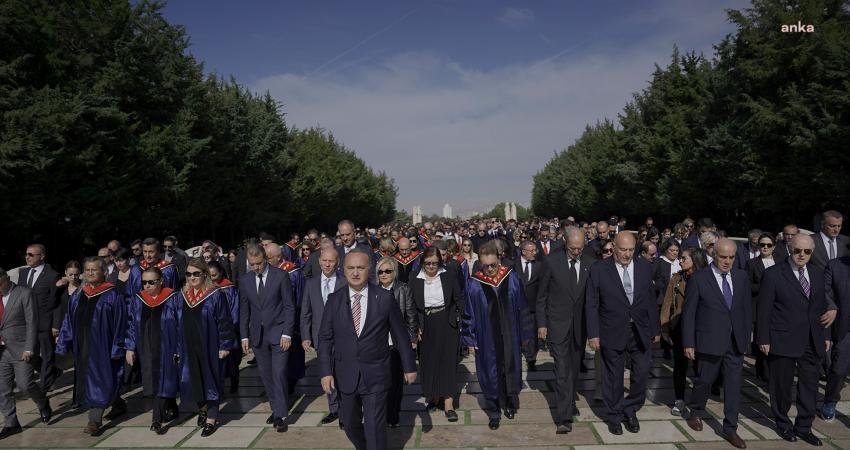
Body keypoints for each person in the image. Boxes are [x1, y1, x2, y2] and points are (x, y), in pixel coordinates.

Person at [318, 251, 417, 450]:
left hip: (376, 374)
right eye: (351, 268)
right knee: (351, 424)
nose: (355, 273)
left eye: (360, 268)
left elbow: (400, 334)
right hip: (345, 374)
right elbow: (325, 338)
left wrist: (409, 366)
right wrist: (326, 372)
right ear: (343, 270)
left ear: (369, 270)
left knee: (374, 427)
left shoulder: (384, 298)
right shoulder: (334, 300)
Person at [585, 231, 660, 436]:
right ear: (614, 248)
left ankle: (631, 407)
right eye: (622, 250)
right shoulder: (599, 269)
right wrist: (593, 334)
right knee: (613, 377)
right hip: (611, 330)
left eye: (630, 250)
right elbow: (592, 304)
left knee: (642, 372)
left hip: (640, 330)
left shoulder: (644, 267)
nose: (627, 254)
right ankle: (615, 415)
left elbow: (649, 300)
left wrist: (655, 328)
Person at [757, 234, 829, 446]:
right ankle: (783, 423)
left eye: (807, 251)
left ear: (812, 252)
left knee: (810, 386)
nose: (802, 255)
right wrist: (763, 338)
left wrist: (825, 335)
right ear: (789, 248)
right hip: (782, 338)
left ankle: (804, 426)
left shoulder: (817, 273)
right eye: (797, 250)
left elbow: (821, 308)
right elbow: (764, 310)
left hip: (812, 339)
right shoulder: (773, 274)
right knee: (781, 386)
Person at [680, 239, 752, 449]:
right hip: (709, 340)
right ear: (714, 255)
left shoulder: (741, 277)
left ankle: (730, 428)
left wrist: (746, 336)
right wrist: (689, 342)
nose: (727, 261)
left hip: (735, 342)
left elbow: (746, 309)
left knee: (733, 387)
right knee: (704, 380)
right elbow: (689, 314)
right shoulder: (700, 279)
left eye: (731, 257)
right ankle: (696, 411)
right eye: (723, 257)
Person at [463, 241, 533, 430]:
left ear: (499, 259)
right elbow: (468, 314)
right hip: (487, 338)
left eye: (493, 264)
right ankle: (493, 411)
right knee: (490, 373)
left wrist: (526, 334)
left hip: (510, 335)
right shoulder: (474, 284)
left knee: (509, 369)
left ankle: (510, 402)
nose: (490, 269)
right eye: (486, 266)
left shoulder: (512, 278)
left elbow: (523, 307)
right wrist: (471, 339)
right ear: (480, 263)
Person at [56, 257, 127, 436]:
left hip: (103, 346)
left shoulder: (113, 294)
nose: (90, 273)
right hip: (82, 345)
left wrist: (118, 347)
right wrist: (64, 342)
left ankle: (94, 421)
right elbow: (69, 321)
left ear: (104, 272)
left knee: (100, 380)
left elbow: (121, 323)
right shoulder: (79, 294)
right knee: (93, 379)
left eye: (94, 270)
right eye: (87, 270)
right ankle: (118, 403)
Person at [537, 228, 592, 434]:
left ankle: (569, 401)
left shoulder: (590, 263)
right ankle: (563, 418)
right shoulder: (551, 262)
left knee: (574, 370)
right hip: (557, 325)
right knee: (561, 372)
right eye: (572, 248)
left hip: (580, 327)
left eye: (580, 248)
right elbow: (541, 296)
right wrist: (542, 324)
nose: (576, 252)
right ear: (565, 243)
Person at [239, 244, 296, 433]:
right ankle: (276, 409)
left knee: (278, 373)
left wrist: (287, 332)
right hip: (258, 336)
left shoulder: (280, 276)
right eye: (252, 264)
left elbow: (289, 306)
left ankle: (281, 415)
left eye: (259, 263)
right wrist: (244, 336)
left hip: (279, 334)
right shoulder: (246, 280)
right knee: (266, 375)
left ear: (266, 258)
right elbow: (244, 310)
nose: (256, 267)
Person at [177, 258, 235, 437]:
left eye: (196, 274)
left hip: (209, 345)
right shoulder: (183, 295)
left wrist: (225, 345)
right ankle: (202, 408)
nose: (192, 278)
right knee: (194, 379)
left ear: (204, 274)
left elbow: (225, 321)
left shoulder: (215, 294)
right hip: (189, 346)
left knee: (211, 380)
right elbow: (178, 324)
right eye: (188, 274)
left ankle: (211, 417)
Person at [410, 247, 463, 420]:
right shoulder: (414, 278)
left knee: (447, 362)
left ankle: (448, 404)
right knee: (429, 362)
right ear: (422, 262)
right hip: (426, 323)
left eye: (434, 262)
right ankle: (432, 398)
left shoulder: (448, 274)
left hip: (447, 322)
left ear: (440, 261)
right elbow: (410, 306)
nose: (431, 266)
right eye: (427, 263)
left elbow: (459, 298)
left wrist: (460, 319)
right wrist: (414, 326)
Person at [125, 267, 180, 434]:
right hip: (147, 348)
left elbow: (180, 325)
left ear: (161, 280)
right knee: (154, 382)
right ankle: (163, 413)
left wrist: (179, 348)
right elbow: (131, 324)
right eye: (144, 282)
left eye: (151, 282)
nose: (147, 286)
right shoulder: (138, 299)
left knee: (165, 380)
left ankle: (160, 415)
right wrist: (130, 347)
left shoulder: (173, 297)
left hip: (168, 347)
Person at [0, 268, 52, 439]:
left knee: (25, 384)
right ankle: (11, 423)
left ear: (6, 278)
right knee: (3, 389)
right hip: (1, 351)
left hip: (21, 348)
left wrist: (29, 348)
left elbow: (32, 322)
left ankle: (43, 402)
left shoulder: (23, 293)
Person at [301, 247, 346, 425]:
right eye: (325, 261)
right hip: (321, 339)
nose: (328, 264)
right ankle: (334, 409)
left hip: (343, 338)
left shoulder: (344, 282)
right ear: (319, 262)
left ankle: (345, 412)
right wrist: (305, 335)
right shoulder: (311, 284)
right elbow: (306, 312)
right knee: (327, 374)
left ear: (338, 263)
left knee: (342, 375)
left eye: (331, 261)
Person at [659, 248, 706, 416]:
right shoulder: (677, 279)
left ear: (695, 259)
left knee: (701, 368)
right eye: (679, 258)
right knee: (679, 366)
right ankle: (679, 399)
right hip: (679, 327)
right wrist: (664, 327)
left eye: (684, 258)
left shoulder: (707, 279)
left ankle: (698, 402)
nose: (680, 260)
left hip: (701, 329)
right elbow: (667, 304)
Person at [375, 256, 418, 428]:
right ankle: (381, 414)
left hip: (396, 343)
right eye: (380, 272)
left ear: (394, 272)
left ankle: (393, 416)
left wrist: (412, 339)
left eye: (387, 271)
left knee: (395, 383)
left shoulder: (403, 289)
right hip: (378, 343)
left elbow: (411, 316)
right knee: (379, 382)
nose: (384, 274)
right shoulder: (373, 290)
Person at [18, 244, 61, 392]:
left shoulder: (51, 275)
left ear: (41, 256)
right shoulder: (23, 273)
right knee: (30, 355)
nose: (27, 257)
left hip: (45, 322)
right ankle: (53, 372)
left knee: (48, 355)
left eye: (31, 254)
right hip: (27, 323)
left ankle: (43, 388)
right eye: (26, 254)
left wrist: (56, 324)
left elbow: (57, 302)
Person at [266, 244, 306, 396]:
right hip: (273, 322)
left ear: (279, 257)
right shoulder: (268, 272)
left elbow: (301, 298)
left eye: (269, 258)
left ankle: (290, 384)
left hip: (291, 321)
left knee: (292, 357)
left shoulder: (293, 272)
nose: (266, 261)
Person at [821, 245, 850, 421]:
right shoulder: (835, 266)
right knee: (839, 369)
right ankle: (830, 401)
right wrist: (831, 306)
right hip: (845, 328)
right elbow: (824, 291)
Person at [745, 232, 777, 382]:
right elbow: (747, 285)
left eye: (768, 245)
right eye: (762, 245)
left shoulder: (781, 262)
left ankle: (770, 369)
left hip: (777, 308)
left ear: (774, 247)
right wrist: (764, 286)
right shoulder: (751, 263)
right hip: (759, 306)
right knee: (761, 339)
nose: (765, 247)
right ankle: (763, 371)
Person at [514, 240, 548, 373]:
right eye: (532, 250)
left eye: (535, 250)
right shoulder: (513, 265)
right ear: (523, 251)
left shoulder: (540, 266)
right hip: (517, 307)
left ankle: (531, 359)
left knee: (533, 336)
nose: (535, 253)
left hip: (534, 307)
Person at [208, 261, 241, 394]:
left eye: (214, 275)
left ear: (221, 273)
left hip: (227, 329)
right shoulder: (207, 289)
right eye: (209, 276)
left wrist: (229, 329)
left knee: (231, 360)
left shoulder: (229, 288)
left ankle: (234, 380)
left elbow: (235, 311)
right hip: (212, 331)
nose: (212, 279)